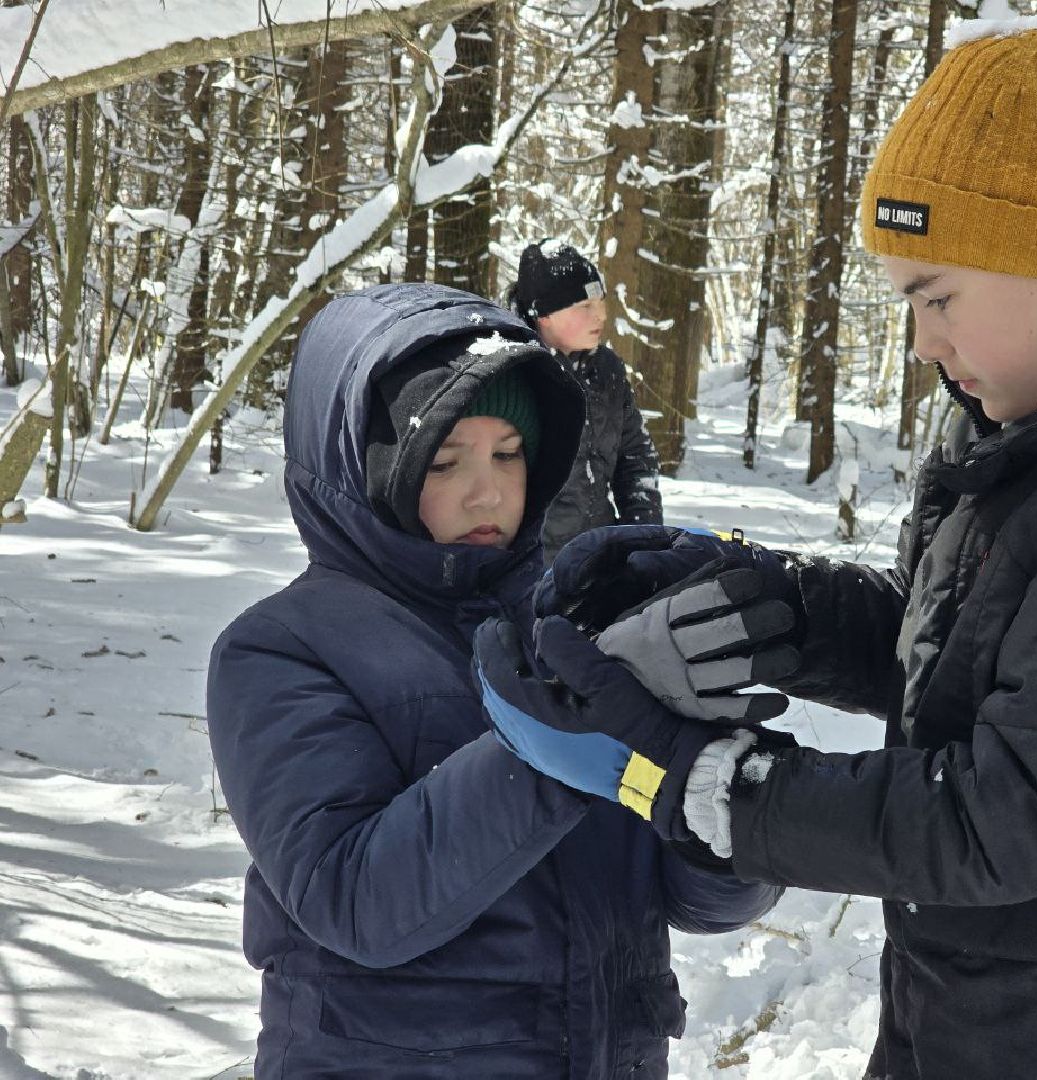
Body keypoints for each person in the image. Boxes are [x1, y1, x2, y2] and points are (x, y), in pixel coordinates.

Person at [472, 26, 1037, 1080]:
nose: (925, 343)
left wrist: (691, 776)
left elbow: (1003, 815)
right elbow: (975, 653)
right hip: (974, 1029)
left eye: (938, 297)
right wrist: (769, 609)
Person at [206, 282, 780, 1079]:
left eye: (510, 453)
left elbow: (700, 904)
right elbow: (354, 900)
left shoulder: (580, 629)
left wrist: (726, 783)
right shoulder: (283, 650)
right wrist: (548, 752)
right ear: (364, 470)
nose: (489, 490)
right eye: (445, 461)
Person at [507, 240, 663, 561]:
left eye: (601, 302)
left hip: (599, 559)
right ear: (544, 314)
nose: (601, 315)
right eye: (585, 307)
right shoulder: (513, 374)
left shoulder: (607, 370)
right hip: (532, 573)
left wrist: (641, 536)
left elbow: (635, 458)